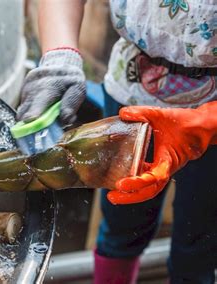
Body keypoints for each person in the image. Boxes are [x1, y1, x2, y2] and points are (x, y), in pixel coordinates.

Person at [17, 0, 217, 283]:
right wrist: (60, 56)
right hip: (131, 93)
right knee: (124, 220)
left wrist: (208, 123)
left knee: (201, 235)